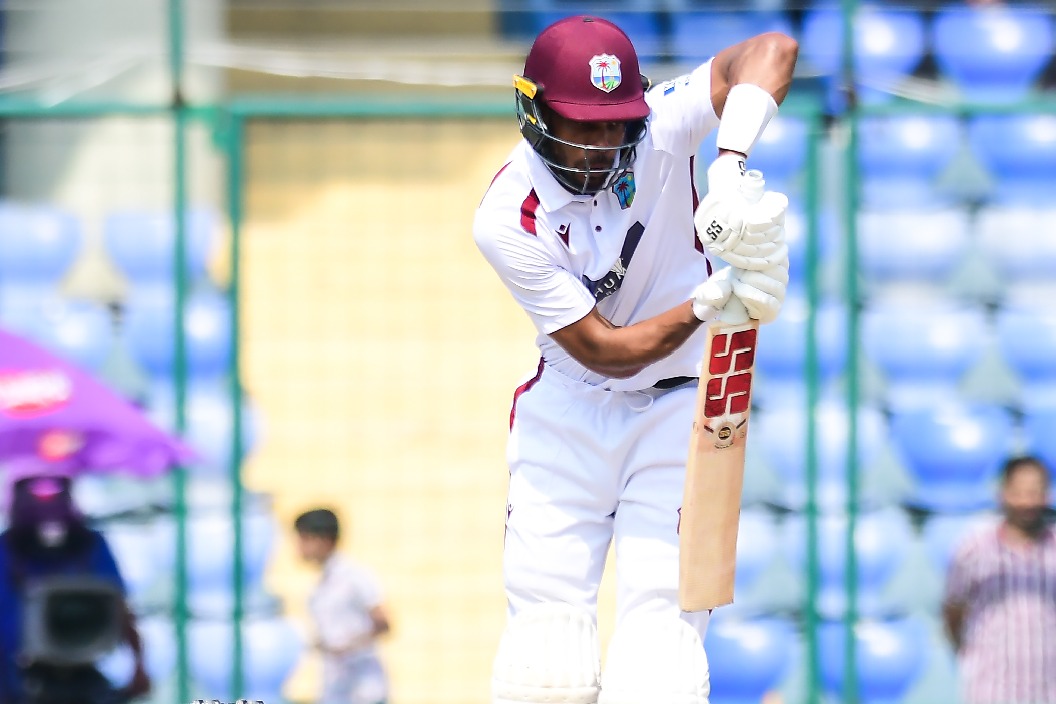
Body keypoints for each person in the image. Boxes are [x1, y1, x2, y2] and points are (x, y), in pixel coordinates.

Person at [473, 14, 796, 704]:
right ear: (534, 111)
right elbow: (607, 352)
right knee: (546, 666)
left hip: (679, 411)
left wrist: (729, 165)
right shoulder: (508, 215)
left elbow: (774, 49)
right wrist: (716, 300)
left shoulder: (659, 124)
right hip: (568, 411)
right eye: (581, 125)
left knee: (661, 668)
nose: (601, 143)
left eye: (613, 123)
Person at [0, 474, 150, 704]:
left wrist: (139, 666)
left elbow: (117, 604)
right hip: (14, 675)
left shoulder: (89, 545)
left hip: (83, 667)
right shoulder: (6, 550)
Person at [943, 455, 1056, 704]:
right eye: (1019, 492)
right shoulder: (975, 548)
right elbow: (953, 609)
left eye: (1035, 492)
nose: (1027, 502)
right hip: (994, 689)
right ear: (1003, 493)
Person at [293, 508, 391, 704]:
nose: (299, 547)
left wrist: (346, 645)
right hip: (336, 685)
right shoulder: (320, 584)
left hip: (363, 686)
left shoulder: (354, 576)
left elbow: (383, 622)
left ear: (323, 540)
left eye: (304, 539)